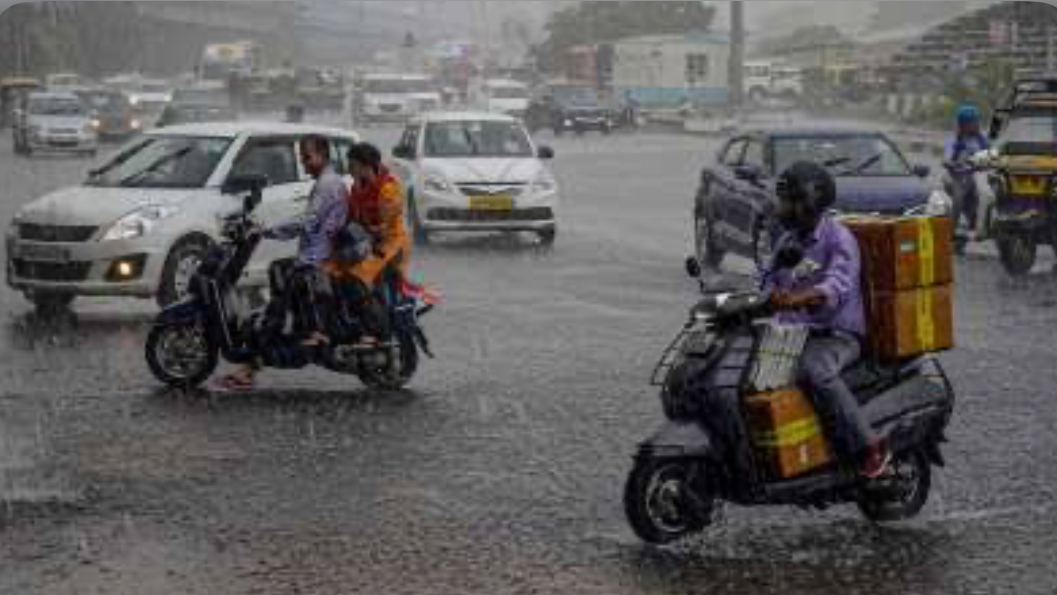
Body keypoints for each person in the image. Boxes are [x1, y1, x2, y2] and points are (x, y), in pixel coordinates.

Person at [760, 161, 890, 479]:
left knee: (814, 370)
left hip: (836, 335)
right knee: (753, 373)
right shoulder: (787, 241)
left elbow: (837, 286)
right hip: (793, 332)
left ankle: (868, 447)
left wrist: (800, 298)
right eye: (782, 200)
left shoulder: (838, 239)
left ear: (809, 202)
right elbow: (765, 279)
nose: (783, 208)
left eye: (789, 200)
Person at [214, 134, 348, 391]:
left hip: (315, 261)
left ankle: (249, 368)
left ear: (322, 155)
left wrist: (265, 230)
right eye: (302, 157)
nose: (304, 162)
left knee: (274, 312)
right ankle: (284, 338)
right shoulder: (327, 181)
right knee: (277, 272)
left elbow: (306, 222)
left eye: (307, 157)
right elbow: (308, 218)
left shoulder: (327, 184)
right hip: (315, 256)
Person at [326, 141, 410, 345]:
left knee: (357, 277)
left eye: (352, 164)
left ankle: (376, 330)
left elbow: (385, 226)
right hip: (366, 242)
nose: (349, 169)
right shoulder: (356, 187)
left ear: (366, 165)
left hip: (391, 245)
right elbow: (352, 217)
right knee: (330, 271)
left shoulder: (388, 187)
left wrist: (367, 230)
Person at [943, 104, 989, 244]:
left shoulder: (982, 139)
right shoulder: (954, 141)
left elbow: (991, 153)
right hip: (959, 177)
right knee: (958, 200)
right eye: (971, 122)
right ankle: (949, 232)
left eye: (976, 121)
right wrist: (952, 164)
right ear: (963, 124)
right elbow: (947, 158)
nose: (975, 125)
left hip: (979, 176)